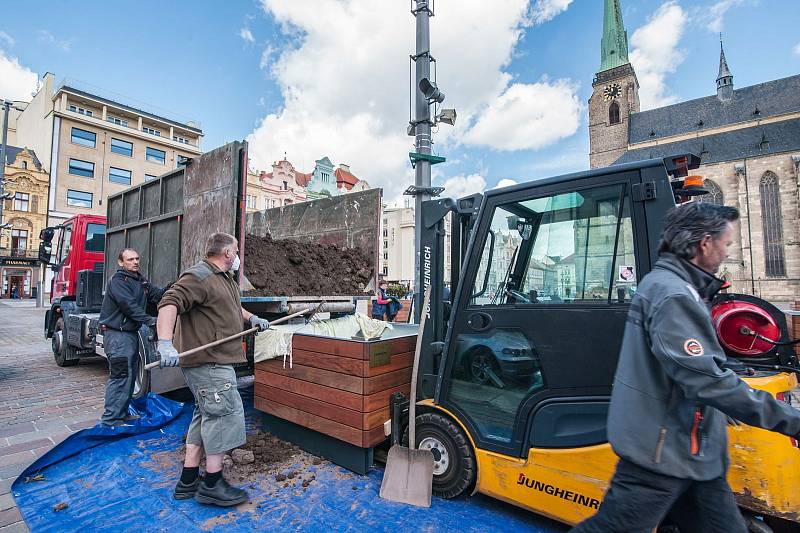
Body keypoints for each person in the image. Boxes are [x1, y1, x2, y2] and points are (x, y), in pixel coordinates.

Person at [571, 202, 800, 533]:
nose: (728, 250)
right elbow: (704, 380)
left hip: (692, 450)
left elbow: (696, 368)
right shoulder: (673, 294)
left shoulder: (676, 287)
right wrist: (791, 422)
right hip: (662, 451)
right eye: (727, 242)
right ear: (704, 243)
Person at [156, 232, 269, 507]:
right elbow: (169, 302)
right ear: (228, 253)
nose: (239, 256)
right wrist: (164, 343)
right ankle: (212, 484)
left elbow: (232, 307)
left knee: (204, 414)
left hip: (217, 360)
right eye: (237, 251)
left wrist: (251, 317)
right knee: (223, 415)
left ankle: (188, 479)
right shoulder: (200, 276)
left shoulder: (224, 279)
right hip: (209, 362)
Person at [98, 248, 166, 426]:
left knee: (129, 376)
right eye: (130, 259)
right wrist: (149, 321)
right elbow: (128, 305)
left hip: (130, 335)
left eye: (136, 258)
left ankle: (122, 414)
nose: (135, 262)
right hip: (117, 336)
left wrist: (177, 285)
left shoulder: (140, 280)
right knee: (120, 376)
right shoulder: (118, 282)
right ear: (121, 262)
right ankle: (110, 420)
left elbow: (158, 294)